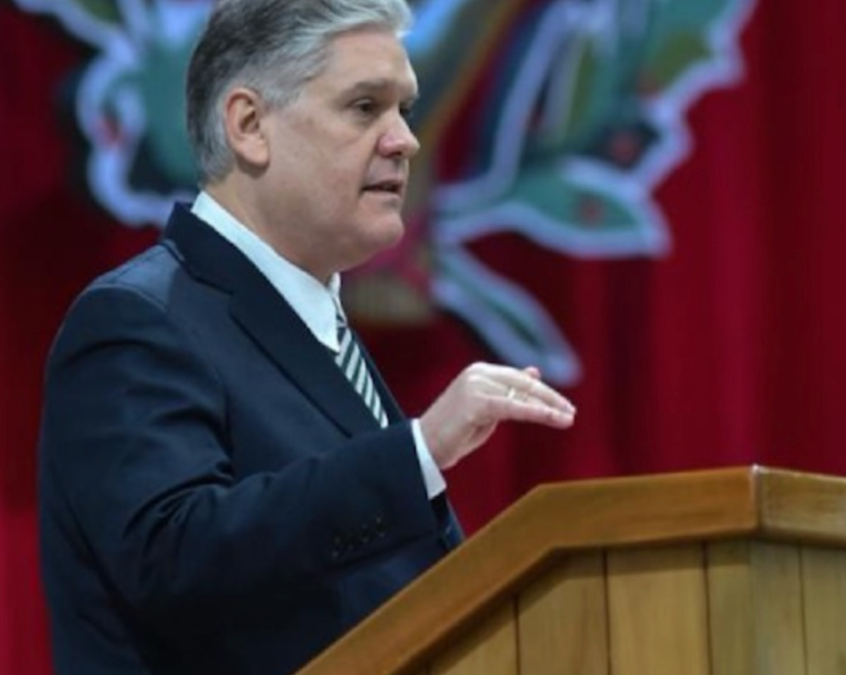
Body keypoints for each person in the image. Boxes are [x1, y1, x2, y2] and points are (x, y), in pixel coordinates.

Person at [36, 1, 576, 674]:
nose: (404, 140)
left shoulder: (315, 325)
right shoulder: (137, 320)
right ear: (249, 125)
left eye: (404, 109)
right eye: (364, 107)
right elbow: (173, 556)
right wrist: (418, 453)